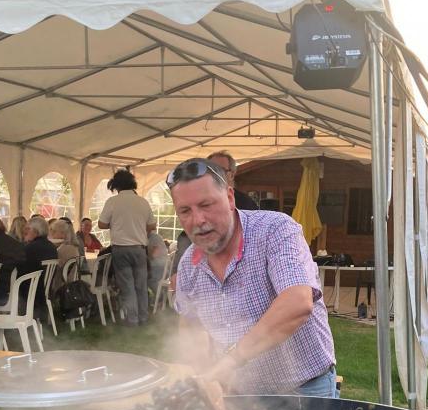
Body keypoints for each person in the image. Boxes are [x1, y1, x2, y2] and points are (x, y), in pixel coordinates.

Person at [168, 157, 337, 397]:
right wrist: (205, 378)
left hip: (306, 389)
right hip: (241, 393)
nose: (198, 220)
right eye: (185, 211)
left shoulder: (275, 229)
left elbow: (298, 302)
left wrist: (230, 361)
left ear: (229, 198)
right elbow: (192, 328)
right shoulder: (188, 267)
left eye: (206, 205)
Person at [98, 168, 155, 327]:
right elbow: (151, 225)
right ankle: (143, 317)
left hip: (121, 249)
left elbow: (101, 224)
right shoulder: (142, 202)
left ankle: (132, 319)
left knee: (127, 285)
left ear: (116, 185)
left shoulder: (113, 202)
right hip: (139, 248)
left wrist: (116, 224)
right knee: (141, 285)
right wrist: (138, 229)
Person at [22, 214, 58, 311]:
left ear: (35, 231)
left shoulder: (30, 248)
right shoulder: (52, 247)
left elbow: (22, 270)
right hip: (46, 289)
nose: (25, 232)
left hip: (33, 290)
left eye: (28, 229)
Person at [49, 218, 81, 291]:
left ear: (63, 234)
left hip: (62, 285)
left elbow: (54, 269)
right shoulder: (73, 247)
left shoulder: (64, 249)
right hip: (72, 282)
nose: (51, 234)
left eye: (54, 231)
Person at [146, 224, 168, 299]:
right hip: (162, 266)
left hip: (160, 266)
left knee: (143, 276)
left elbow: (154, 255)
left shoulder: (154, 238)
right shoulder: (151, 237)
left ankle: (160, 298)